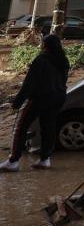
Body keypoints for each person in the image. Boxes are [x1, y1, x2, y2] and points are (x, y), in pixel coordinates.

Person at [0, 35, 70, 172]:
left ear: (45, 45)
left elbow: (29, 84)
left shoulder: (41, 60)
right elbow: (63, 80)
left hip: (41, 98)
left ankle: (13, 161)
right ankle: (45, 159)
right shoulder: (63, 61)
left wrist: (17, 103)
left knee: (21, 127)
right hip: (58, 97)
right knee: (48, 127)